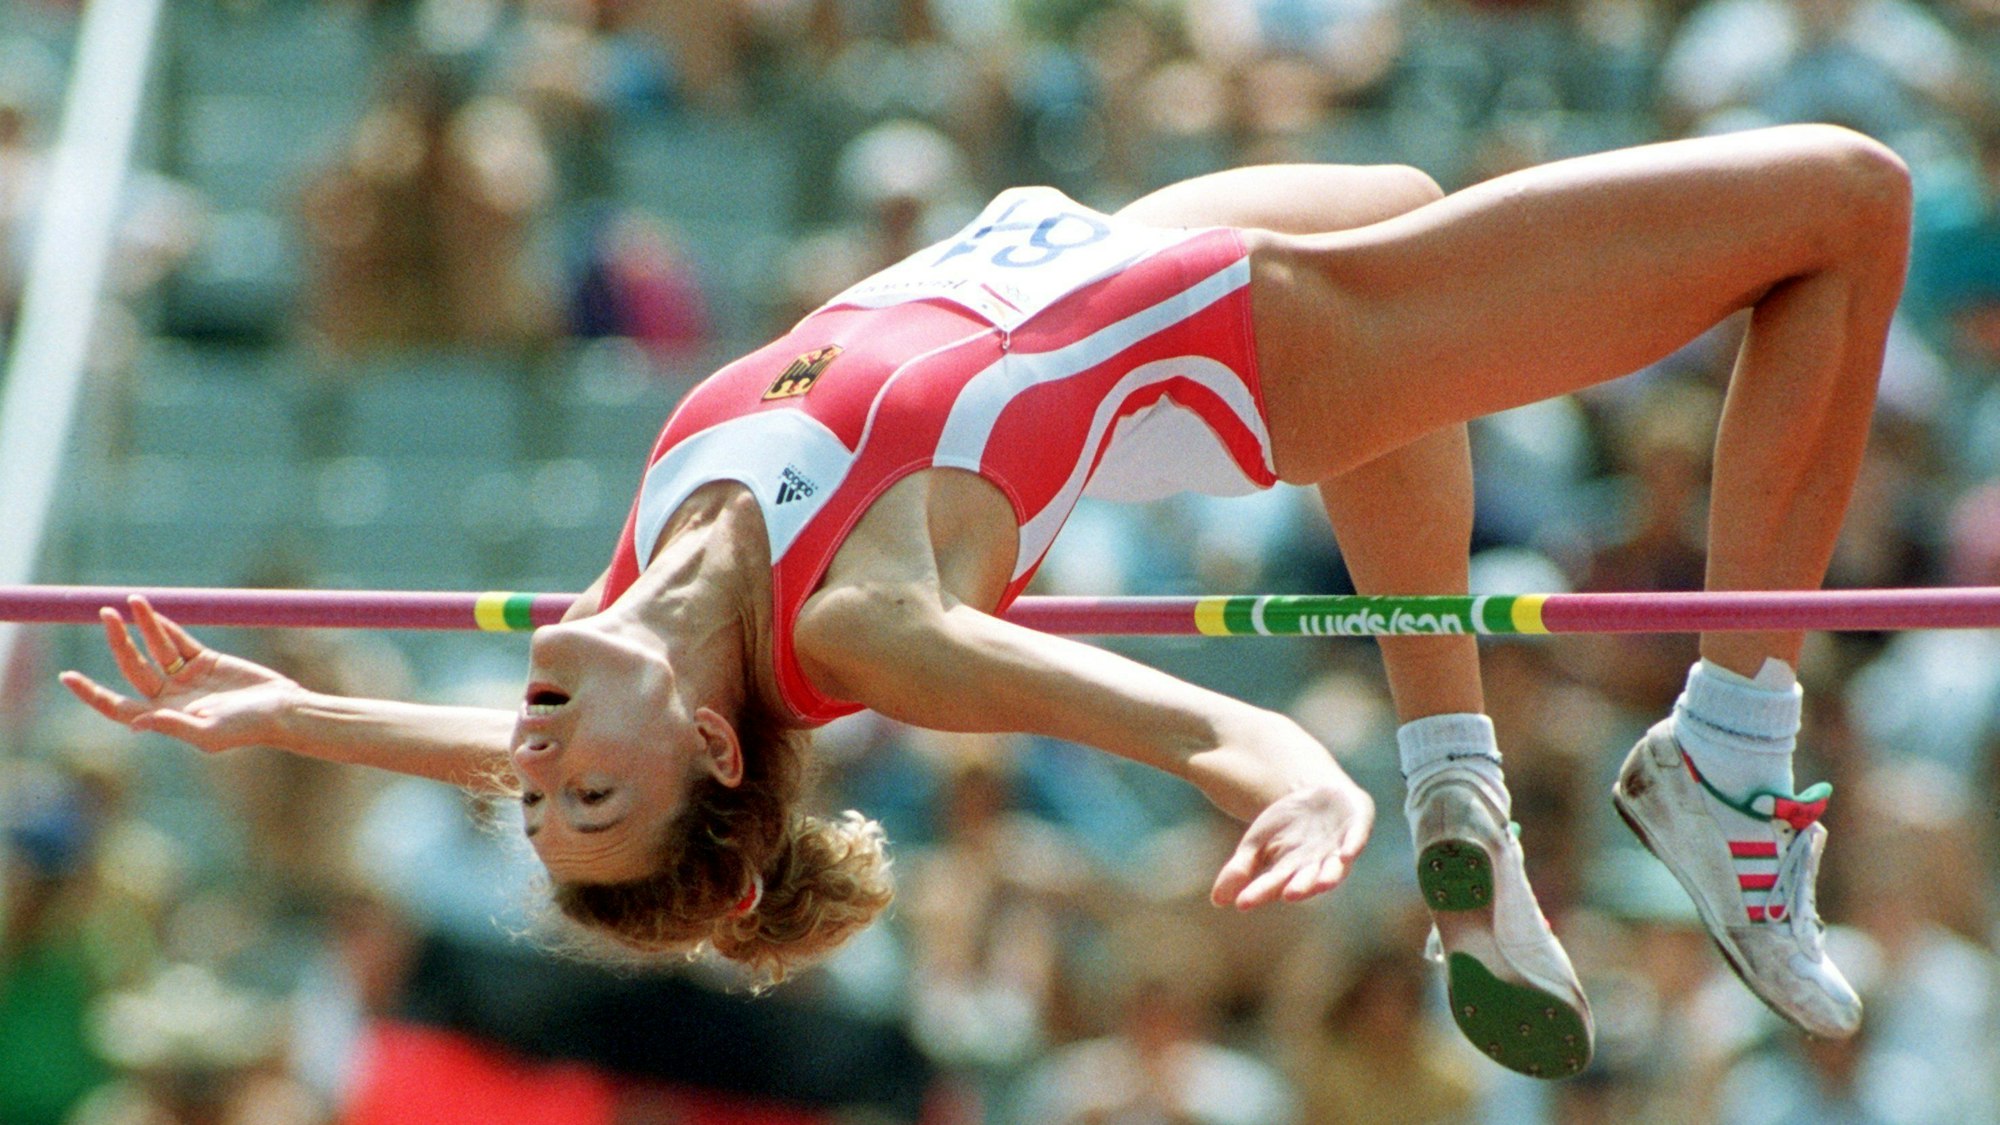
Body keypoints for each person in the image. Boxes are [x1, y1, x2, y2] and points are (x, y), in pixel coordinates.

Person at [61, 123, 1912, 1080]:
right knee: (1847, 206)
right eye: (587, 792)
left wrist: (292, 711)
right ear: (711, 741)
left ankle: (1464, 790)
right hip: (1244, 343)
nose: (533, 762)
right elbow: (1199, 721)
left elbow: (521, 746)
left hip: (1107, 249)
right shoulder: (860, 631)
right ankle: (1730, 756)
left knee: (1414, 179)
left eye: (535, 793)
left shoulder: (646, 585)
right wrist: (1283, 771)